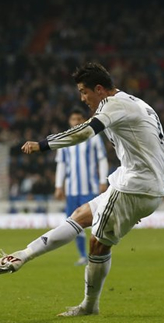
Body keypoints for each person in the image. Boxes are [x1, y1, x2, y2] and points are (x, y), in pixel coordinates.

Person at [0, 62, 164, 317]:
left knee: (98, 244)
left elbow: (85, 132)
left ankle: (89, 306)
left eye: (84, 91)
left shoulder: (114, 105)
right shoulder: (136, 103)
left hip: (135, 187)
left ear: (99, 89)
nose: (82, 98)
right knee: (81, 215)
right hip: (137, 181)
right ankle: (21, 256)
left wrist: (43, 144)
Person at [54, 107, 109, 266]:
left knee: (96, 223)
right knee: (72, 223)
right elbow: (61, 165)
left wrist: (103, 181)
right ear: (69, 122)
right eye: (73, 119)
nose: (76, 122)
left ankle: (97, 253)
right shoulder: (65, 140)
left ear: (84, 121)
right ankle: (83, 255)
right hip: (72, 190)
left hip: (90, 189)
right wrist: (59, 186)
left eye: (79, 119)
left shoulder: (93, 137)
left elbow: (102, 159)